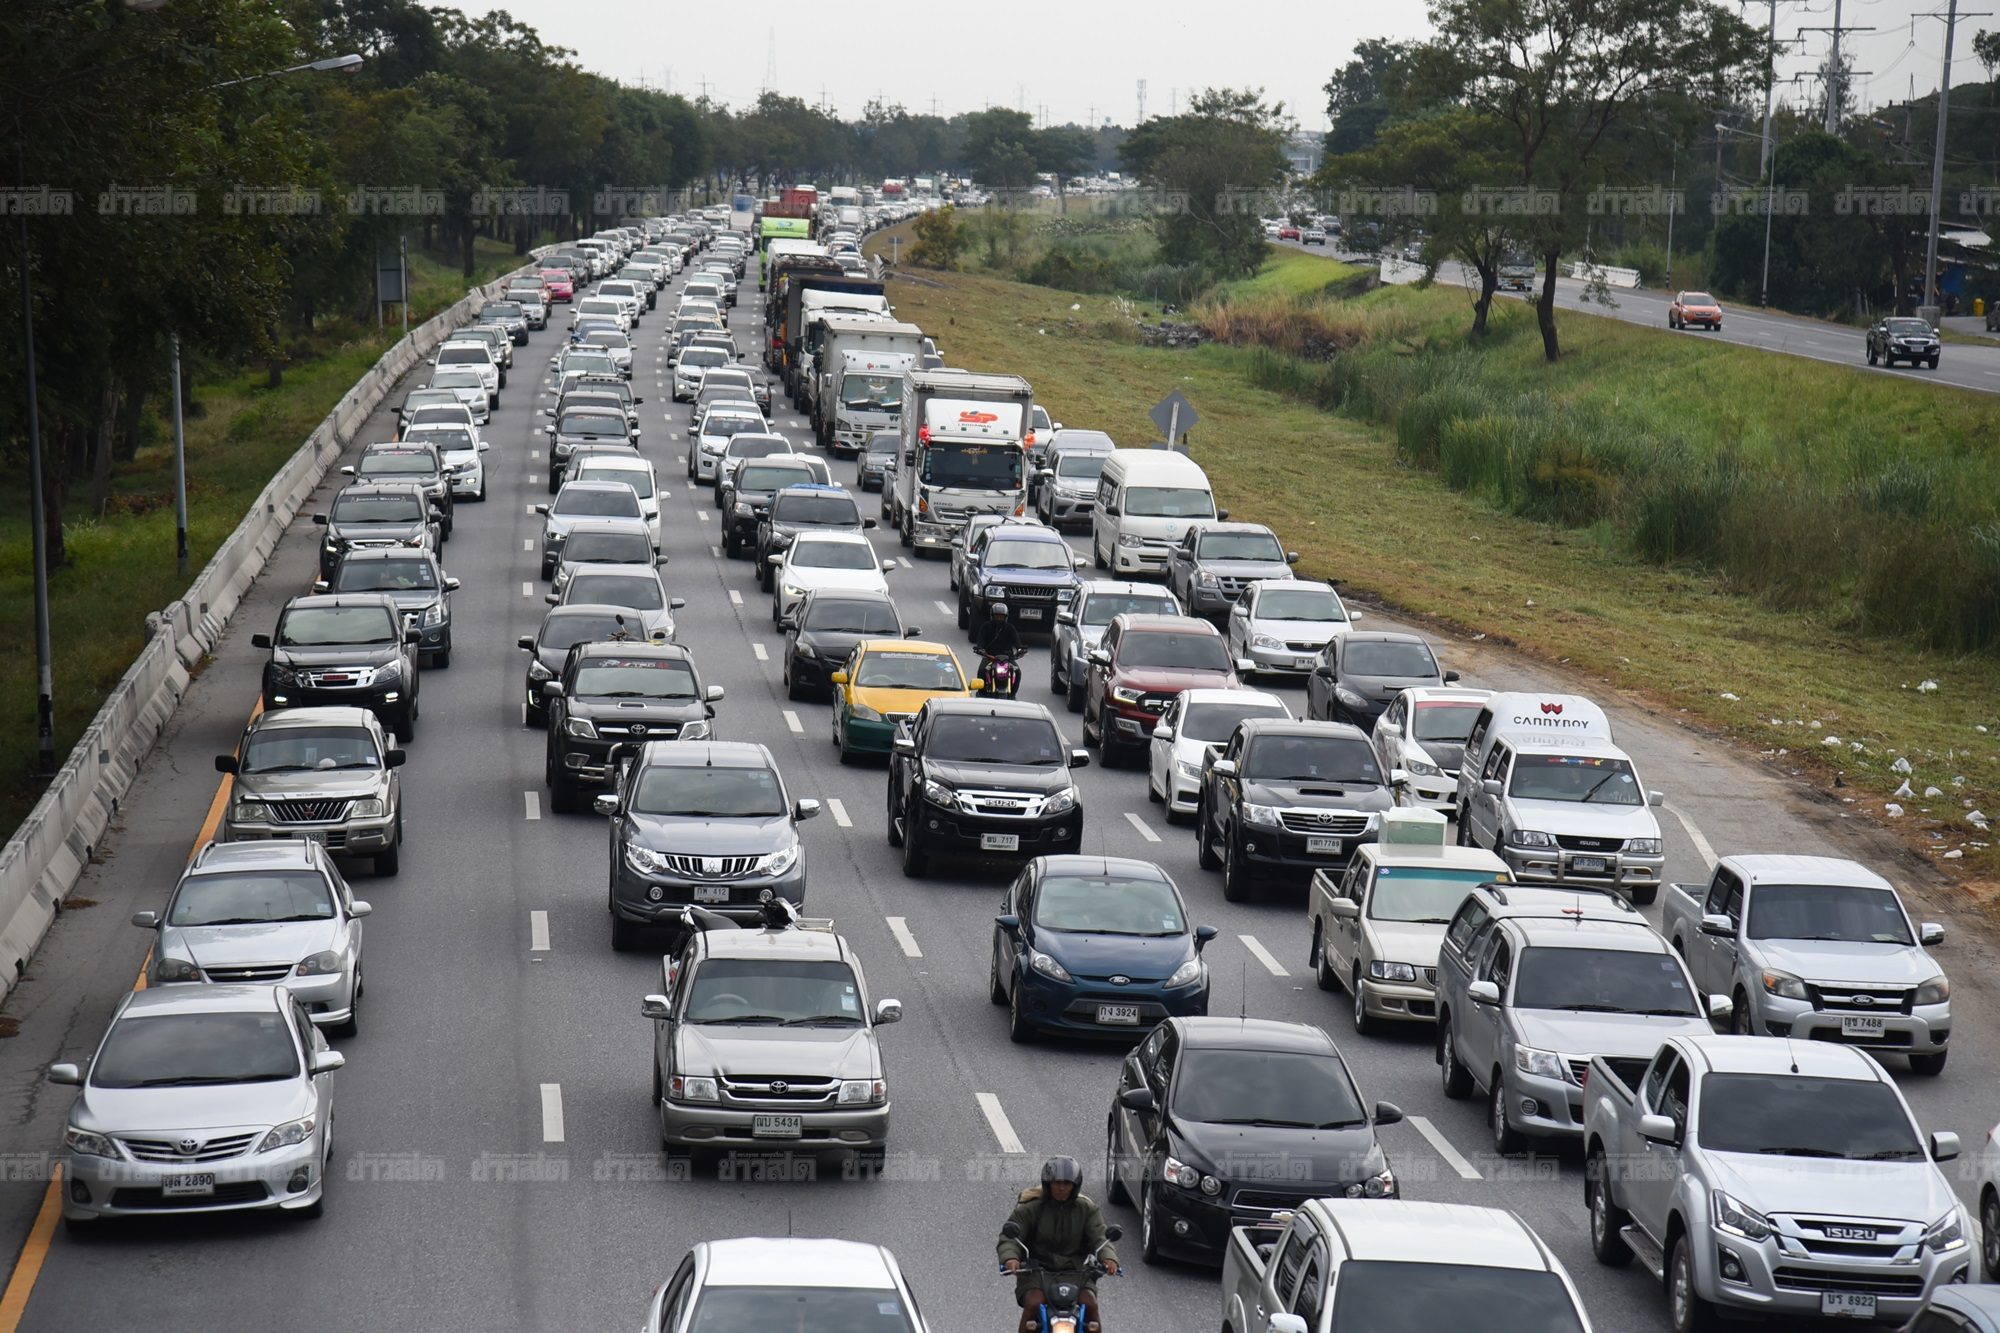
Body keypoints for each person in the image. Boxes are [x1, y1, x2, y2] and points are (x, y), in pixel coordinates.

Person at [998, 1157, 1118, 1333]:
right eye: (1057, 1183)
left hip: (1076, 1272)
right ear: (1048, 1184)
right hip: (1037, 1272)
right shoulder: (1031, 1208)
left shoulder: (1087, 1210)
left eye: (1067, 1183)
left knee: (1090, 1303)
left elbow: (1100, 1236)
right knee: (1033, 1302)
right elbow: (1010, 1236)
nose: (1062, 1188)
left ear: (1075, 1186)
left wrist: (1108, 1258)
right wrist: (1011, 1258)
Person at [971, 602, 1024, 695]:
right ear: (992, 616)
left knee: (1018, 672)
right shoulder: (986, 627)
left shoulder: (1010, 628)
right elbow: (981, 640)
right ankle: (981, 694)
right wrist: (980, 649)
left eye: (1001, 617)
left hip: (1007, 658)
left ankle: (1013, 694)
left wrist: (1020, 649)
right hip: (990, 657)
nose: (999, 618)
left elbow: (1017, 641)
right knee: (982, 671)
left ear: (1006, 617)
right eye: (997, 616)